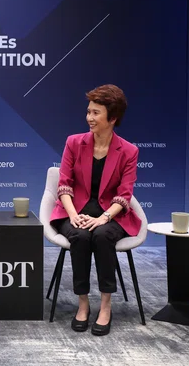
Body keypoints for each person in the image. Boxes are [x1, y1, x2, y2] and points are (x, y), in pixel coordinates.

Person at [49, 84, 140, 336]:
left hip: (111, 212)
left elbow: (124, 194)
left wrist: (103, 218)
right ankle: (83, 304)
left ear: (112, 118)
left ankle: (106, 306)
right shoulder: (74, 143)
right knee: (79, 235)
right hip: (74, 209)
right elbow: (64, 184)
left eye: (96, 113)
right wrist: (73, 215)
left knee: (101, 236)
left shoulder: (129, 151)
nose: (89, 117)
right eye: (88, 111)